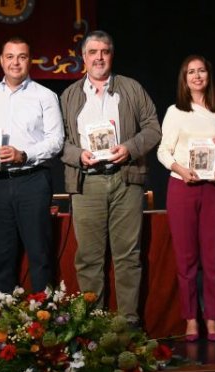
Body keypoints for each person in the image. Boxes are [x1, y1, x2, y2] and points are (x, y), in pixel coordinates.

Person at [60, 30, 161, 326]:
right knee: (89, 259)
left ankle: (128, 325)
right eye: (93, 52)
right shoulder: (69, 96)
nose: (99, 57)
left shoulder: (131, 89)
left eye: (104, 51)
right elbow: (59, 142)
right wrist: (78, 155)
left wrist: (129, 148)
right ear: (84, 58)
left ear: (111, 55)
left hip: (125, 180)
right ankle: (94, 329)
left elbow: (153, 128)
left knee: (128, 257)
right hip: (86, 182)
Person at [157, 55, 215, 342]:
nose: (197, 76)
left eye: (201, 70)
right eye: (191, 71)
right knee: (186, 259)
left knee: (213, 260)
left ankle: (212, 318)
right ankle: (191, 318)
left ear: (208, 75)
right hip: (182, 187)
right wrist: (180, 168)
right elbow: (163, 151)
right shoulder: (175, 111)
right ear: (184, 78)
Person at [0, 37, 64, 295]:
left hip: (33, 181)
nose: (16, 62)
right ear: (2, 61)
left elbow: (56, 141)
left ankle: (46, 323)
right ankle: (7, 322)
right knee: (2, 256)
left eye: (22, 56)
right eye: (10, 57)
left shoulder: (45, 96)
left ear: (30, 61)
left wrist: (23, 154)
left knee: (39, 254)